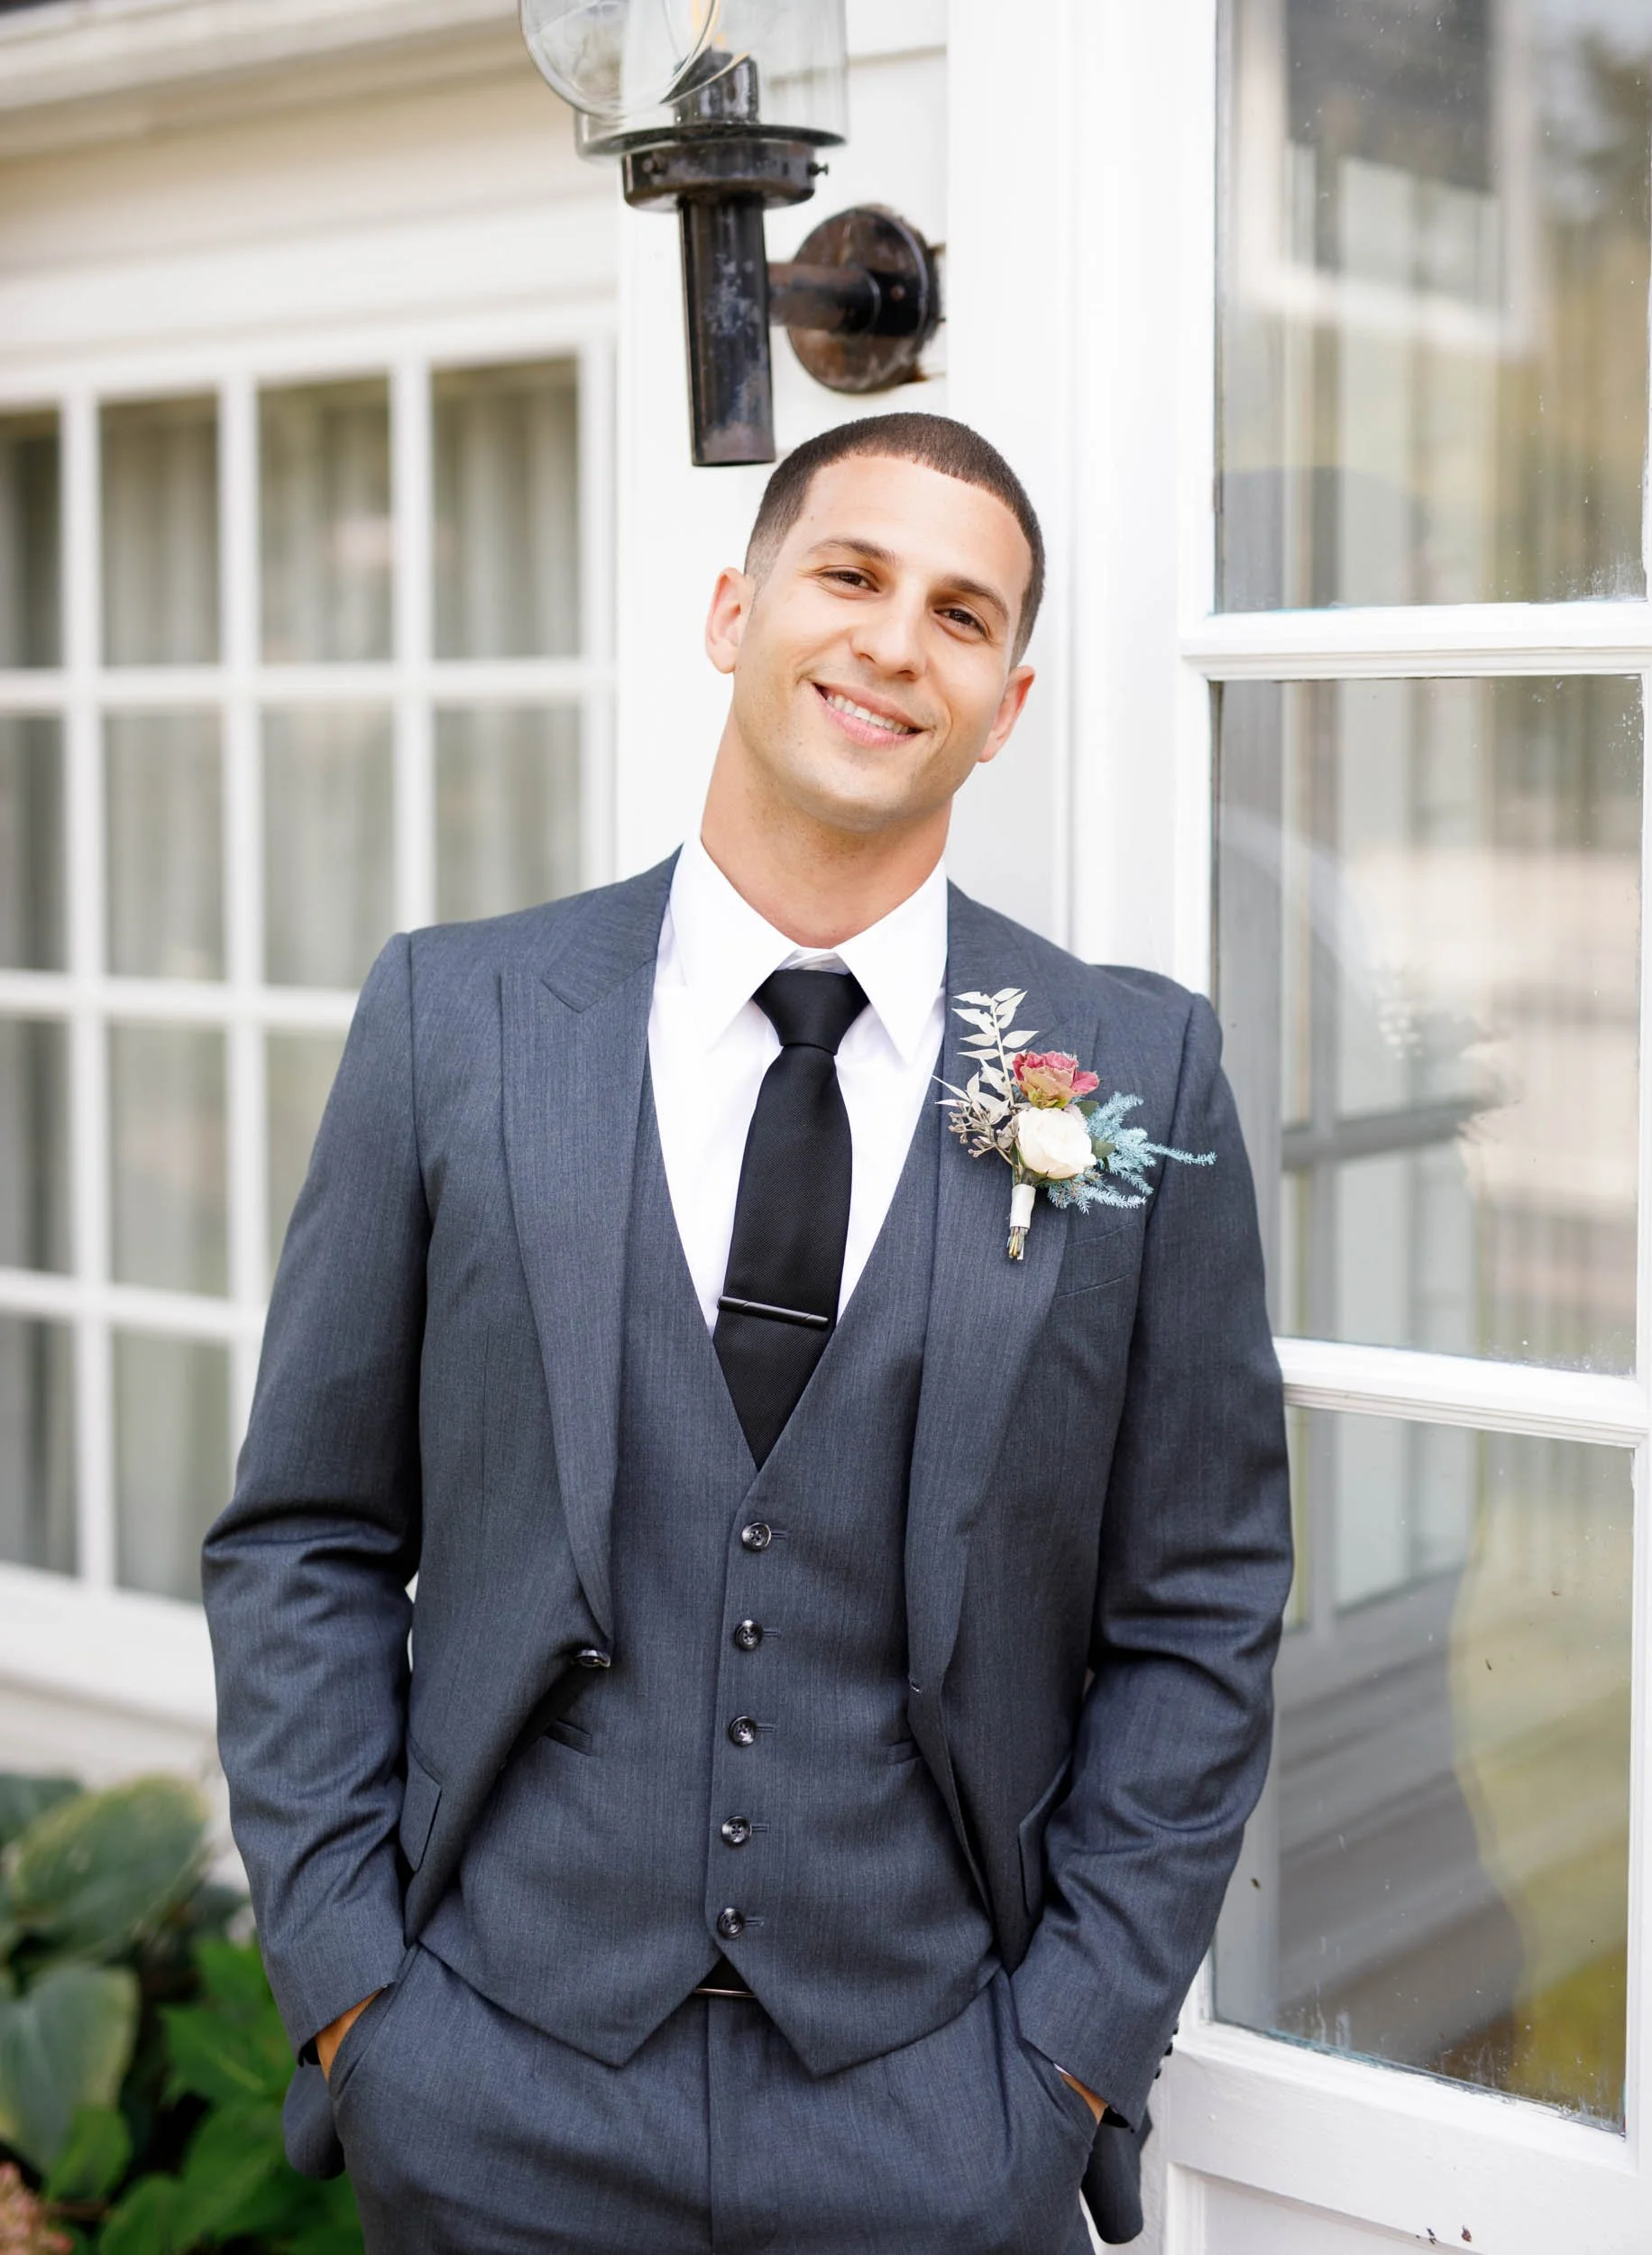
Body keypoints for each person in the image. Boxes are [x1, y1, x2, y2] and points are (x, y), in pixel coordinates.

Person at [203, 411, 1291, 2254]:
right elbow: (306, 1531)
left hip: (943, 2114)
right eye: (850, 575)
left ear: (1004, 703)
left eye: (961, 614)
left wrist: (1069, 2062)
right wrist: (354, 1993)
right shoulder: (455, 1018)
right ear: (734, 608)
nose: (891, 641)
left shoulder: (1127, 1065)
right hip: (494, 2089)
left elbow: (1197, 1604)